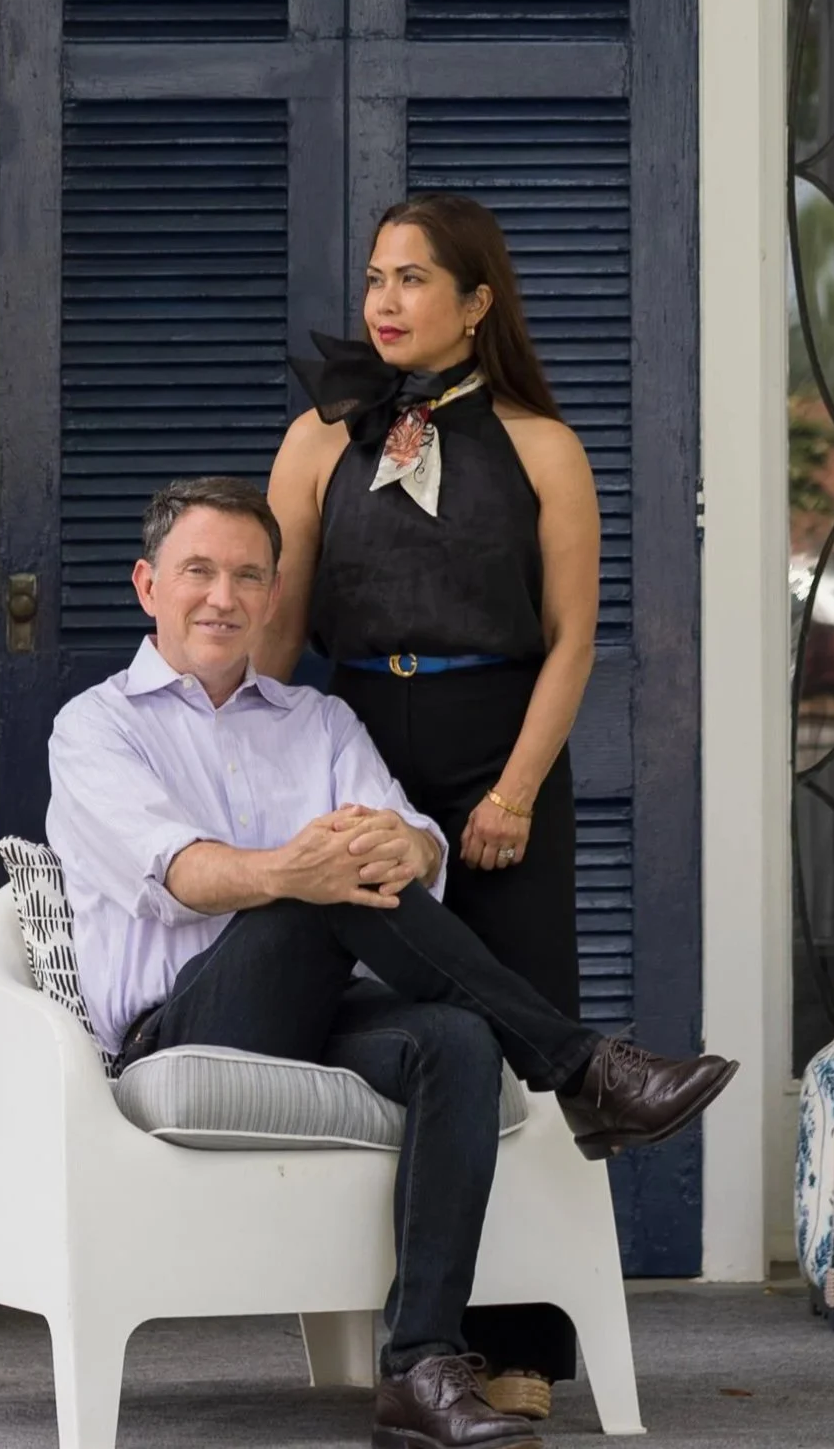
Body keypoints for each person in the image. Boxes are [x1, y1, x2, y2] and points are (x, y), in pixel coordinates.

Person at [48, 477, 737, 1449]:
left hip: (322, 1010)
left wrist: (408, 846)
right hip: (185, 1025)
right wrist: (300, 868)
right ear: (146, 584)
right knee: (325, 886)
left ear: (275, 595)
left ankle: (420, 1364)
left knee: (454, 1039)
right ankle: (583, 1067)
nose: (224, 597)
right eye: (198, 570)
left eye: (249, 576)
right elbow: (183, 875)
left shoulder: (318, 721)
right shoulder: (96, 725)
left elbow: (412, 841)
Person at [266, 194, 604, 1420]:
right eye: (375, 278)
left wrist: (514, 789)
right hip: (360, 748)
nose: (385, 302)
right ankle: (427, 1339)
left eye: (413, 279)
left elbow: (572, 642)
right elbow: (279, 639)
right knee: (429, 1038)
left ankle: (521, 1346)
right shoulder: (320, 439)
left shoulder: (544, 447)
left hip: (499, 751)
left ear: (477, 303)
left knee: (522, 1044)